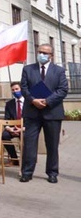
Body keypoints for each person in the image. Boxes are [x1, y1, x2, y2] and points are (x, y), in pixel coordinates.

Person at [19, 43, 68, 183]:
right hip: (32, 112)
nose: (41, 54)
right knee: (29, 143)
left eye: (45, 53)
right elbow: (24, 88)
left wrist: (47, 101)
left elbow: (62, 90)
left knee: (52, 145)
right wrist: (33, 100)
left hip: (52, 112)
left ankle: (52, 172)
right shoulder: (28, 69)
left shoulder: (59, 71)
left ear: (51, 56)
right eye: (40, 51)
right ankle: (27, 172)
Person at [2, 81, 23, 166]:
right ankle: (14, 159)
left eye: (17, 89)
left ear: (21, 89)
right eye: (13, 90)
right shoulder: (9, 104)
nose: (15, 91)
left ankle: (26, 159)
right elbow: (6, 119)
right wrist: (8, 128)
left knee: (27, 136)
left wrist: (22, 129)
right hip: (13, 127)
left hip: (25, 128)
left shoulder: (29, 102)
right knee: (4, 135)